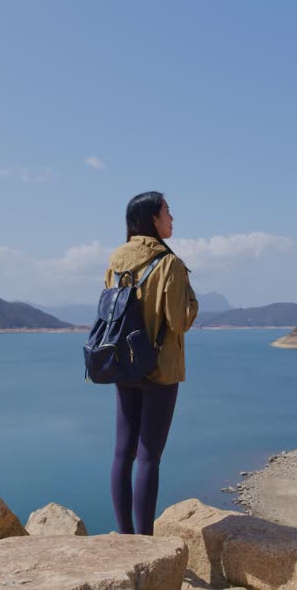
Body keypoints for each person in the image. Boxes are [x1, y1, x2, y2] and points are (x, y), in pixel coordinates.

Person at [103, 191, 199, 535]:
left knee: (122, 453)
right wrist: (190, 295)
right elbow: (178, 321)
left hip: (122, 363)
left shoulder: (116, 258)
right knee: (148, 457)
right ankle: (145, 542)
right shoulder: (170, 264)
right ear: (152, 221)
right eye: (167, 213)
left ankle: (124, 534)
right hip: (159, 368)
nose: (172, 219)